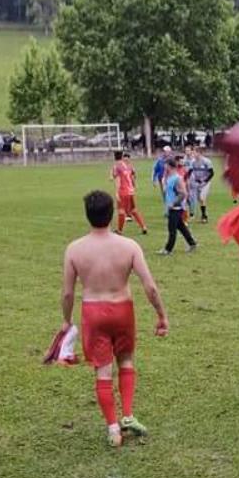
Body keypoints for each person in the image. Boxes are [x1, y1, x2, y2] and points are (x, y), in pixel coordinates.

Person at [62, 191, 169, 447]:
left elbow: (67, 293)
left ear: (87, 215)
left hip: (93, 312)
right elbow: (150, 287)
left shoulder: (75, 249)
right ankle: (128, 415)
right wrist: (161, 315)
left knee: (103, 370)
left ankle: (113, 428)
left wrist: (66, 321)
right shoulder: (129, 246)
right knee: (126, 360)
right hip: (122, 309)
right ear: (112, 214)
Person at [159, 153, 197, 255]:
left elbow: (183, 193)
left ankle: (168, 249)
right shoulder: (169, 178)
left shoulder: (177, 178)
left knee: (172, 229)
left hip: (175, 208)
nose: (164, 166)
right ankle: (192, 243)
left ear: (169, 166)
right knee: (181, 227)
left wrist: (173, 203)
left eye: (165, 165)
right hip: (172, 207)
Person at [111, 150, 147, 235]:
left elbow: (118, 179)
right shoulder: (127, 165)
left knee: (121, 210)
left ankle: (119, 230)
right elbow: (132, 176)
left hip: (123, 191)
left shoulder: (116, 166)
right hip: (130, 191)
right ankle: (143, 227)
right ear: (122, 156)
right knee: (133, 209)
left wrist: (117, 192)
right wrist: (133, 187)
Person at [187, 145, 214, 222]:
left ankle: (204, 216)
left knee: (202, 198)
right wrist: (185, 179)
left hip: (205, 182)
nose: (193, 154)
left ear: (199, 153)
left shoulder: (206, 161)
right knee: (200, 199)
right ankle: (204, 215)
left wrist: (205, 181)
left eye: (194, 152)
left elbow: (212, 173)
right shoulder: (193, 162)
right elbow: (190, 171)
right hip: (197, 182)